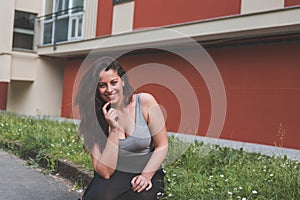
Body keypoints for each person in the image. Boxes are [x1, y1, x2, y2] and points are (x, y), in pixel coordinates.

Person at [75, 57, 168, 200]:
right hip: (117, 171)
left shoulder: (144, 102)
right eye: (102, 85)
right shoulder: (94, 119)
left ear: (123, 81)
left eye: (113, 82)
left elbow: (162, 145)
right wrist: (113, 129)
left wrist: (146, 176)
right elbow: (105, 172)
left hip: (148, 168)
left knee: (140, 197)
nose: (109, 90)